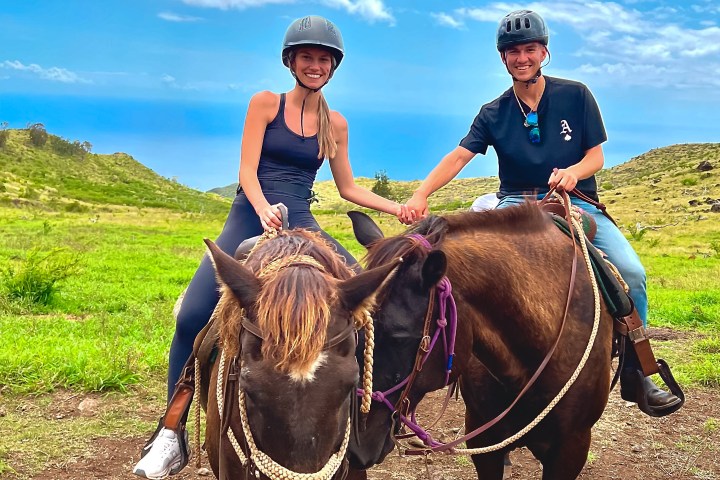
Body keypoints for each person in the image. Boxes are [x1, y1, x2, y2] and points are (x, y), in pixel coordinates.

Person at [133, 15, 409, 479]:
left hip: (301, 216)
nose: (315, 65)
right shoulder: (265, 103)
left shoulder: (334, 123)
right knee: (192, 315)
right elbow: (246, 170)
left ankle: (364, 425)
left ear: (333, 66)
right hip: (250, 211)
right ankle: (171, 432)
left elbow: (347, 188)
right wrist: (262, 209)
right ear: (291, 61)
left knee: (367, 307)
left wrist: (397, 208)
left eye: (324, 58)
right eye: (307, 56)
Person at [402, 9, 682, 418]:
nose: (521, 58)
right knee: (479, 274)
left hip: (577, 200)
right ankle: (479, 377)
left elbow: (596, 156)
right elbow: (461, 155)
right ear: (503, 58)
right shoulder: (493, 112)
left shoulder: (576, 95)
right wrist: (421, 193)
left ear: (543, 52)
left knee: (632, 272)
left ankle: (638, 372)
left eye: (529, 49)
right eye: (513, 51)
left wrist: (572, 174)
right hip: (516, 201)